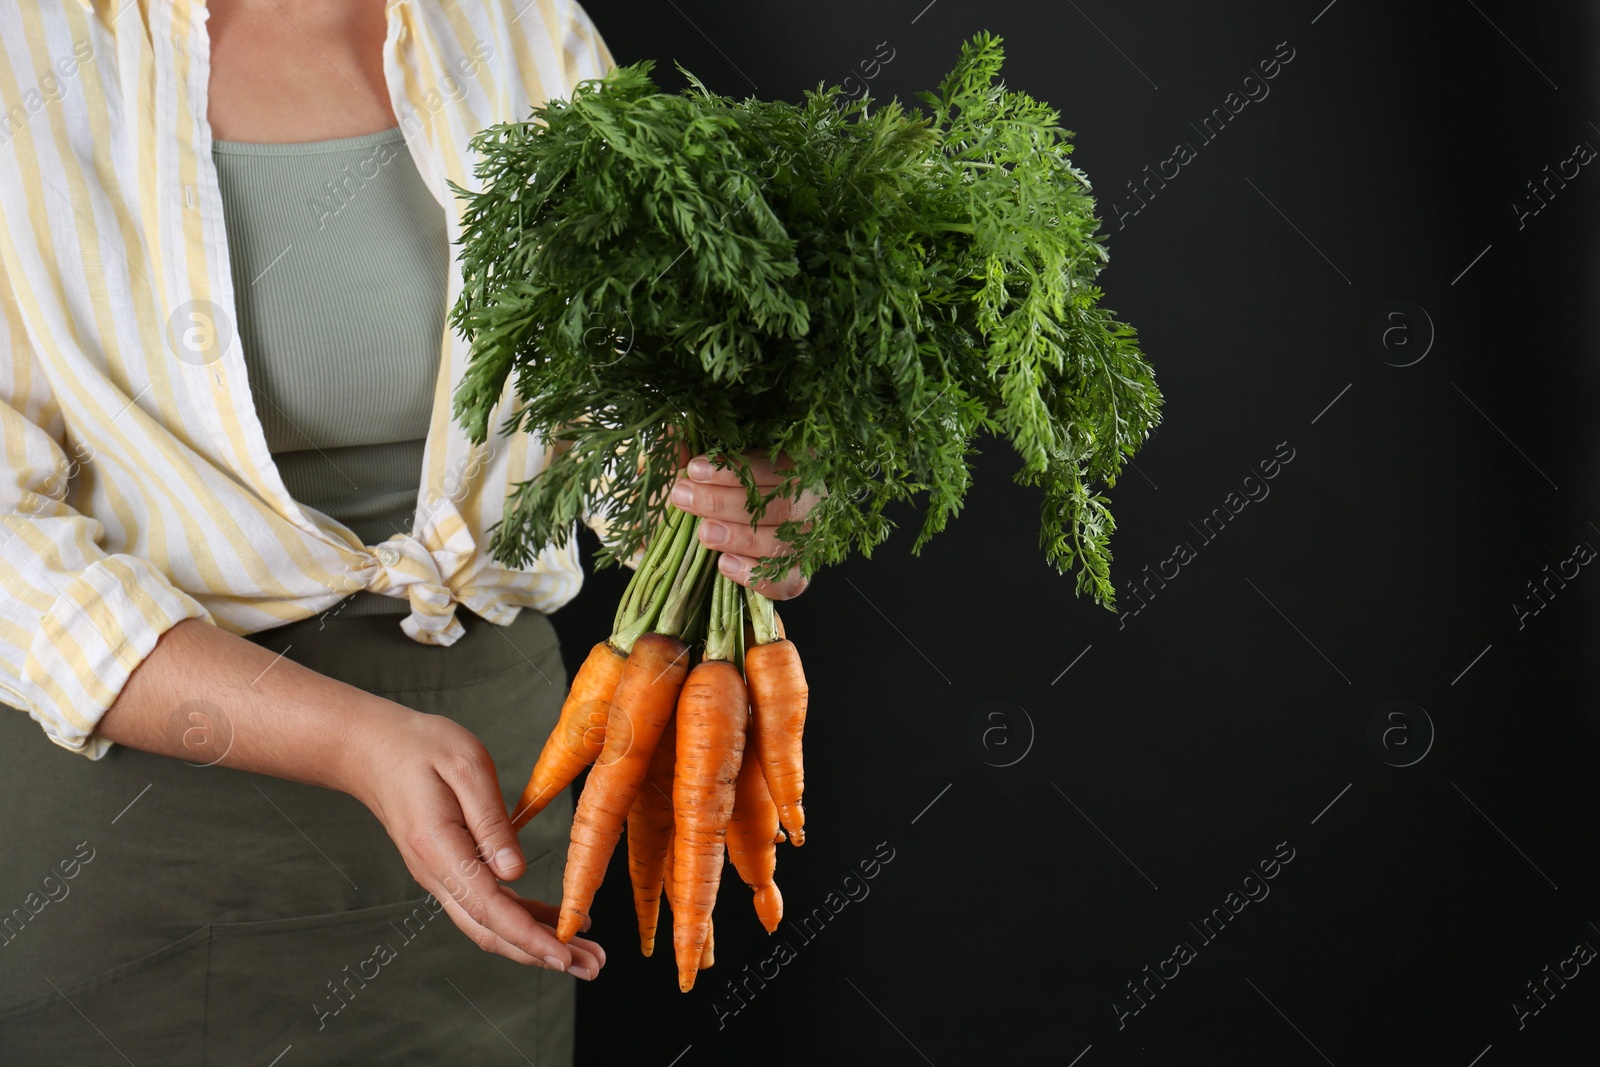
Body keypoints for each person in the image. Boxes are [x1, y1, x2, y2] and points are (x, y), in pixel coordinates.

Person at [0, 1, 812, 1062]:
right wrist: (352, 741)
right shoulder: (32, 45)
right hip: (140, 820)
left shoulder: (520, 30)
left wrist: (735, 500)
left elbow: (616, 414)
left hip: (498, 806)